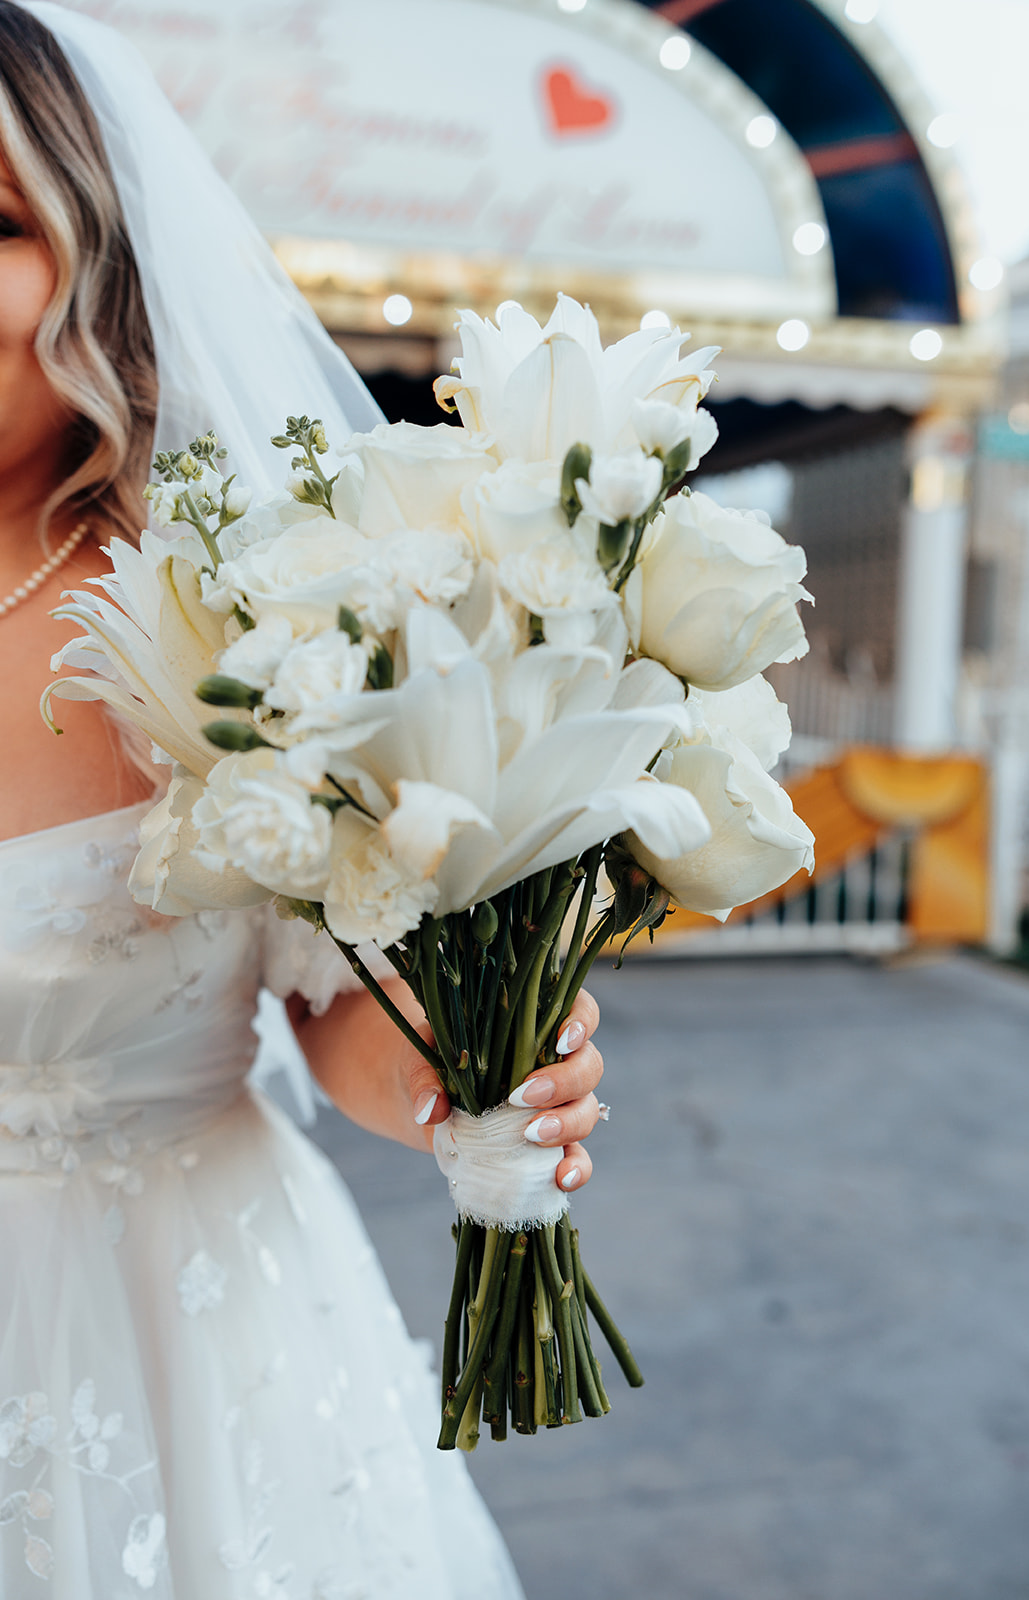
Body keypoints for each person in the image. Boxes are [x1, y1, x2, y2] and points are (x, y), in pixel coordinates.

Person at [0, 3, 607, 1593]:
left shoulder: (236, 607)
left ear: (94, 261)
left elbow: (340, 1014)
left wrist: (479, 1071)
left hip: (183, 1343)